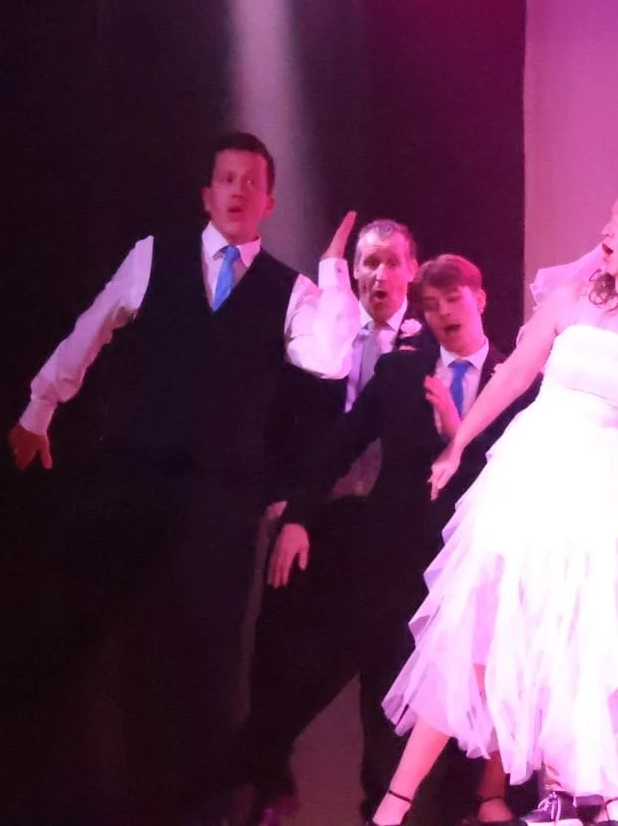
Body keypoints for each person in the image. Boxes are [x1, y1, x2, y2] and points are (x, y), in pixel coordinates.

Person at [1, 132, 360, 826]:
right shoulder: (153, 255)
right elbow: (92, 327)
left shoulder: (292, 289)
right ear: (207, 192)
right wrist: (41, 404)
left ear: (269, 200)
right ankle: (65, 798)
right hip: (138, 479)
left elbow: (329, 363)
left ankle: (202, 813)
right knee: (102, 637)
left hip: (222, 500)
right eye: (225, 178)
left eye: (250, 182)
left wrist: (334, 275)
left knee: (209, 661)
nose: (236, 191)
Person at [366, 188, 618, 826]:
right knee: (476, 638)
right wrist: (460, 442)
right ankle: (394, 804)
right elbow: (513, 376)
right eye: (607, 216)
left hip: (611, 493)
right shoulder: (576, 297)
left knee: (597, 645)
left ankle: (602, 790)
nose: (606, 229)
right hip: (535, 476)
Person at [238, 253, 527, 825]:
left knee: (464, 710)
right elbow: (341, 442)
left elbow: (512, 479)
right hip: (395, 566)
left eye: (454, 298)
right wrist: (298, 515)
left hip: (471, 570)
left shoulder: (517, 380)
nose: (444, 312)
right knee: (385, 712)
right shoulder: (402, 371)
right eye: (431, 304)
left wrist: (454, 429)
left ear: (481, 298)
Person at [232, 217, 426, 824]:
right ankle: (264, 780)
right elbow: (281, 420)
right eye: (368, 262)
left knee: (381, 669)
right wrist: (284, 499)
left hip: (391, 532)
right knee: (285, 655)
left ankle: (382, 808)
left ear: (412, 270)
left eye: (392, 261)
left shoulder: (426, 346)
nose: (379, 274)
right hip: (318, 520)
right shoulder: (330, 339)